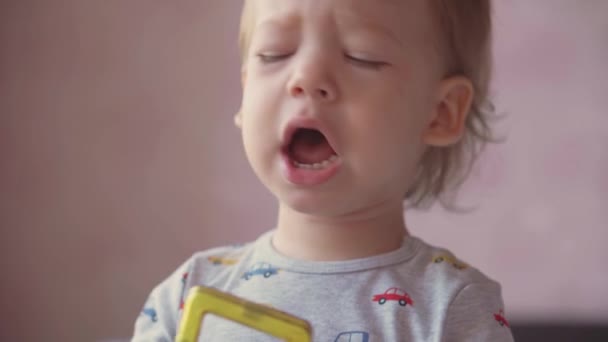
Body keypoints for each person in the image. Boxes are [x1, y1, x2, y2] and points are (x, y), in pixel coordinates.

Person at [132, 0, 514, 340]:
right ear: (245, 93)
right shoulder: (186, 292)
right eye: (274, 53)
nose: (307, 77)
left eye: (361, 56)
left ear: (441, 112)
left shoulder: (453, 308)